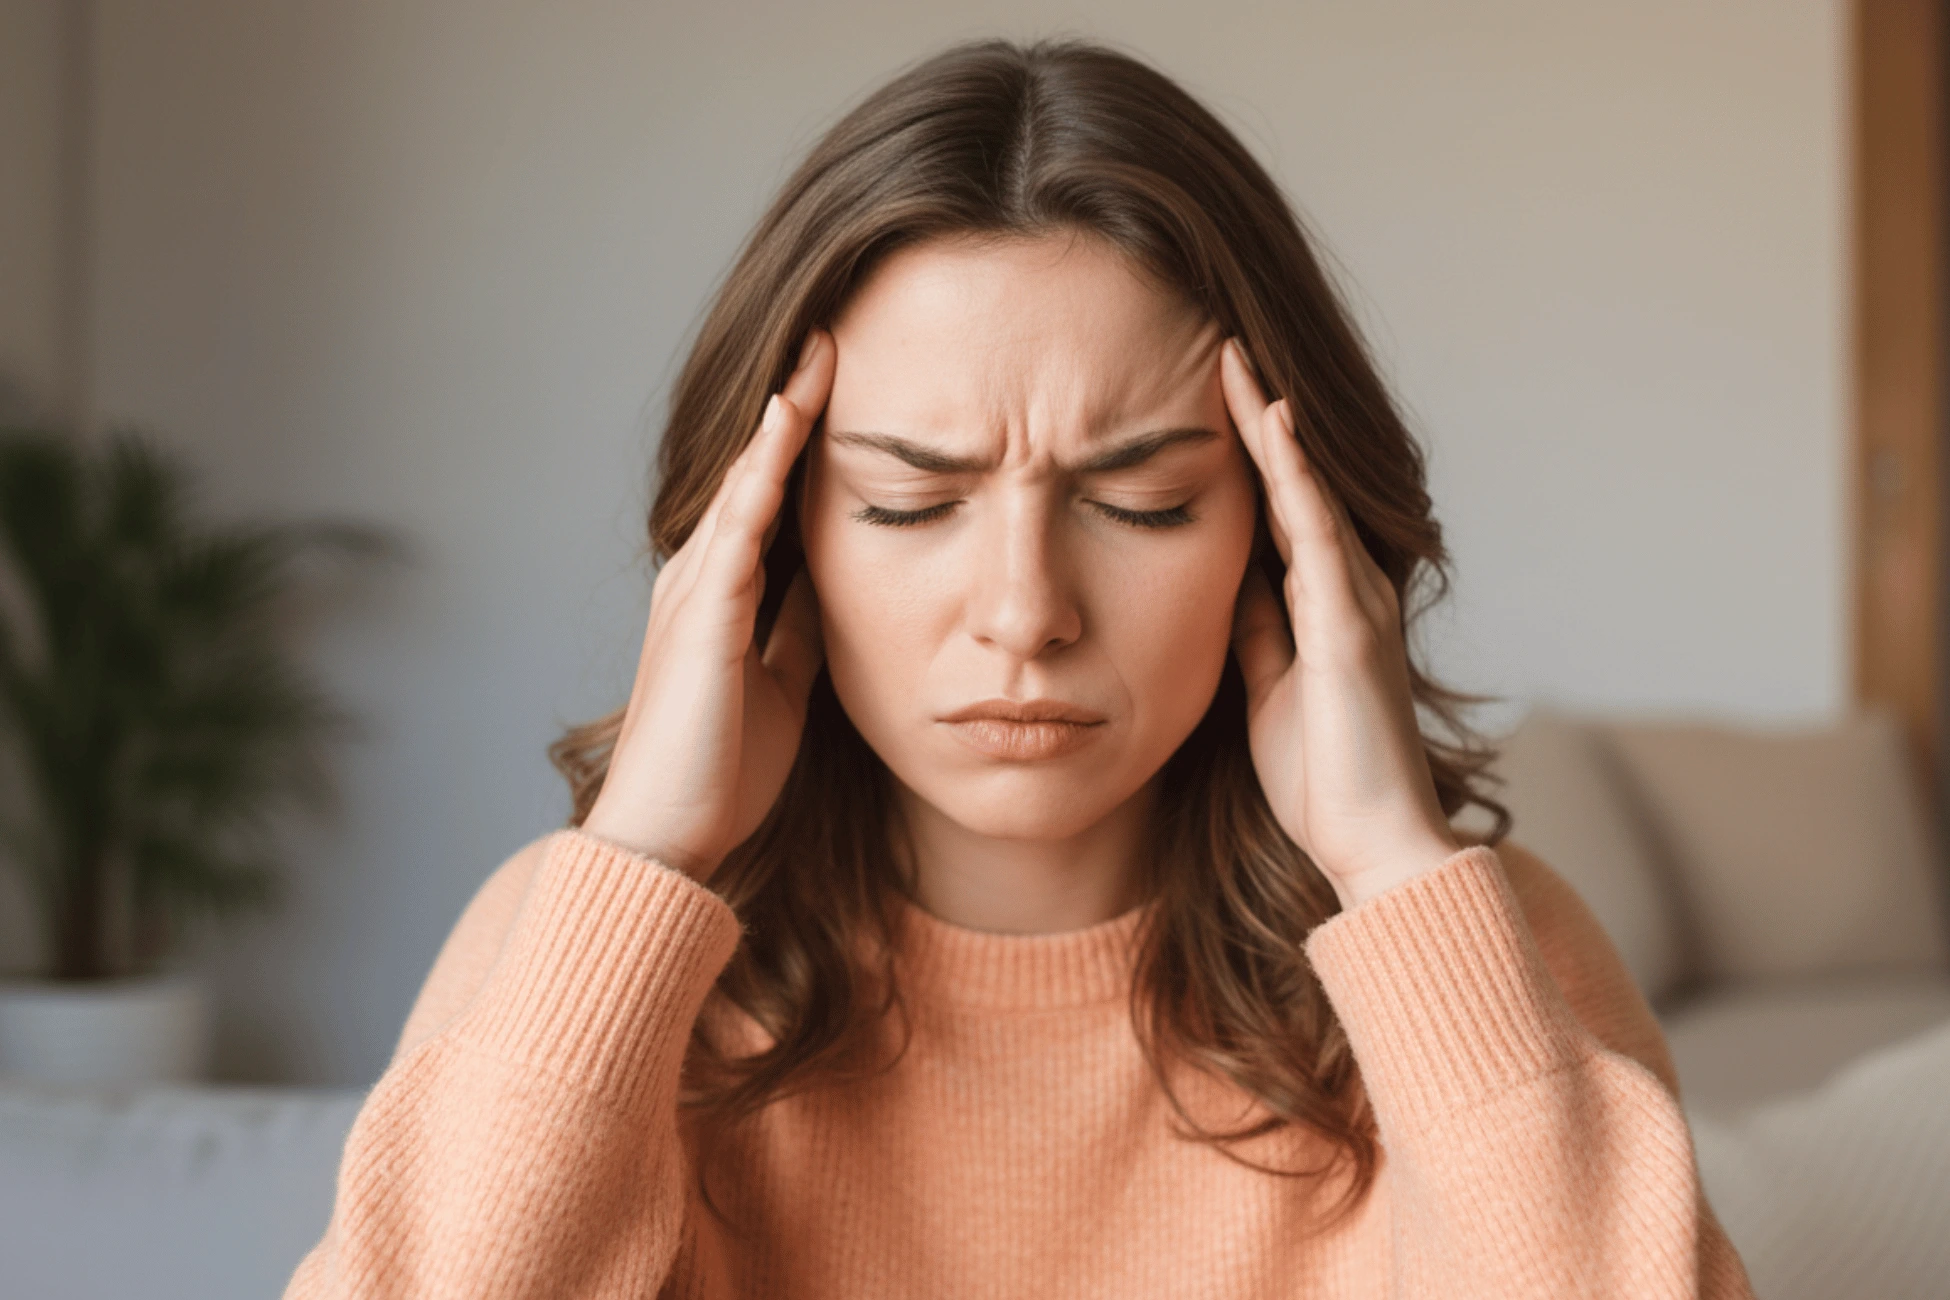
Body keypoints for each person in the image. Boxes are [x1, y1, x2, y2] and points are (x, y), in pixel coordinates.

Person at [285, 34, 1756, 1299]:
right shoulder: (575, 947)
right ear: (775, 539)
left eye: (1143, 502)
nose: (1023, 611)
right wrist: (647, 859)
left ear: (1278, 535)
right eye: (908, 503)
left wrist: (1386, 865)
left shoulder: (1478, 956)